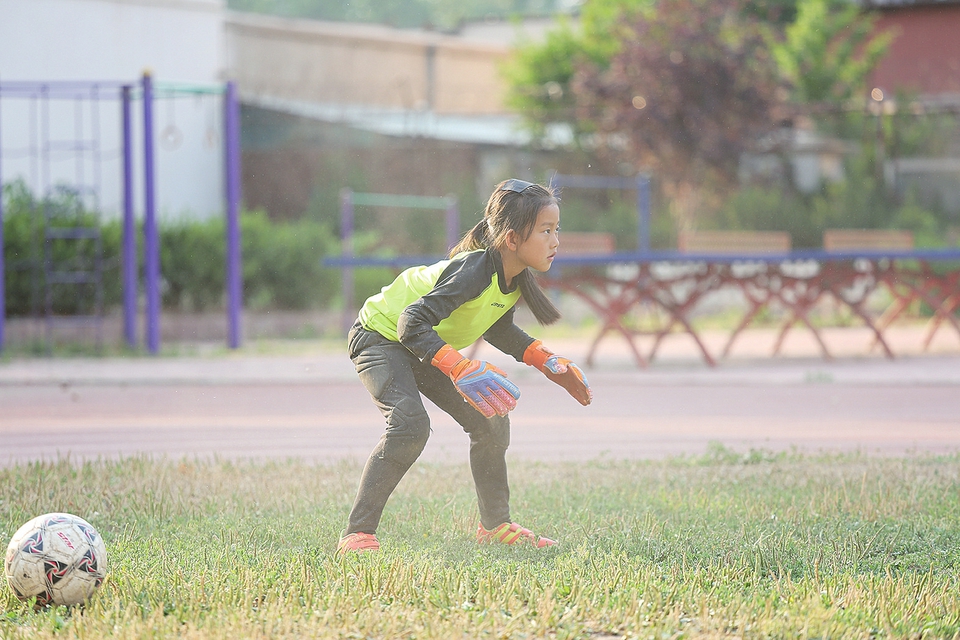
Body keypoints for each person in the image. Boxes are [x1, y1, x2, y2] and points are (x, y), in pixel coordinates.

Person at [337, 178, 592, 554]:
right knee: (410, 425)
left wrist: (546, 361)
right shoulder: (474, 269)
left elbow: (495, 324)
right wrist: (459, 367)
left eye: (557, 230)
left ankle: (495, 527)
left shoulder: (513, 277)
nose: (555, 240)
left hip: (422, 345)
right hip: (379, 335)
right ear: (512, 240)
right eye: (545, 231)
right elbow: (411, 323)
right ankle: (357, 535)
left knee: (490, 419)